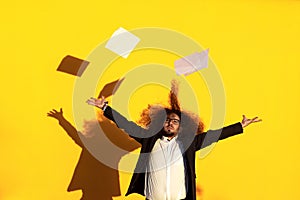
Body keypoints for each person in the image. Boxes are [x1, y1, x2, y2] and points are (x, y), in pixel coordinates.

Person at [86, 81, 262, 200]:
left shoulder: (189, 143)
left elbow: (215, 135)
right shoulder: (149, 139)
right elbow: (126, 125)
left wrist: (240, 125)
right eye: (167, 120)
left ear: (181, 126)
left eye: (175, 121)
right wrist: (105, 108)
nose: (170, 123)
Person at [47, 108, 140, 200]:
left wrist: (62, 120)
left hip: (92, 189)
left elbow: (74, 134)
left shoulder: (93, 146)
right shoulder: (114, 149)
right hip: (101, 191)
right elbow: (138, 142)